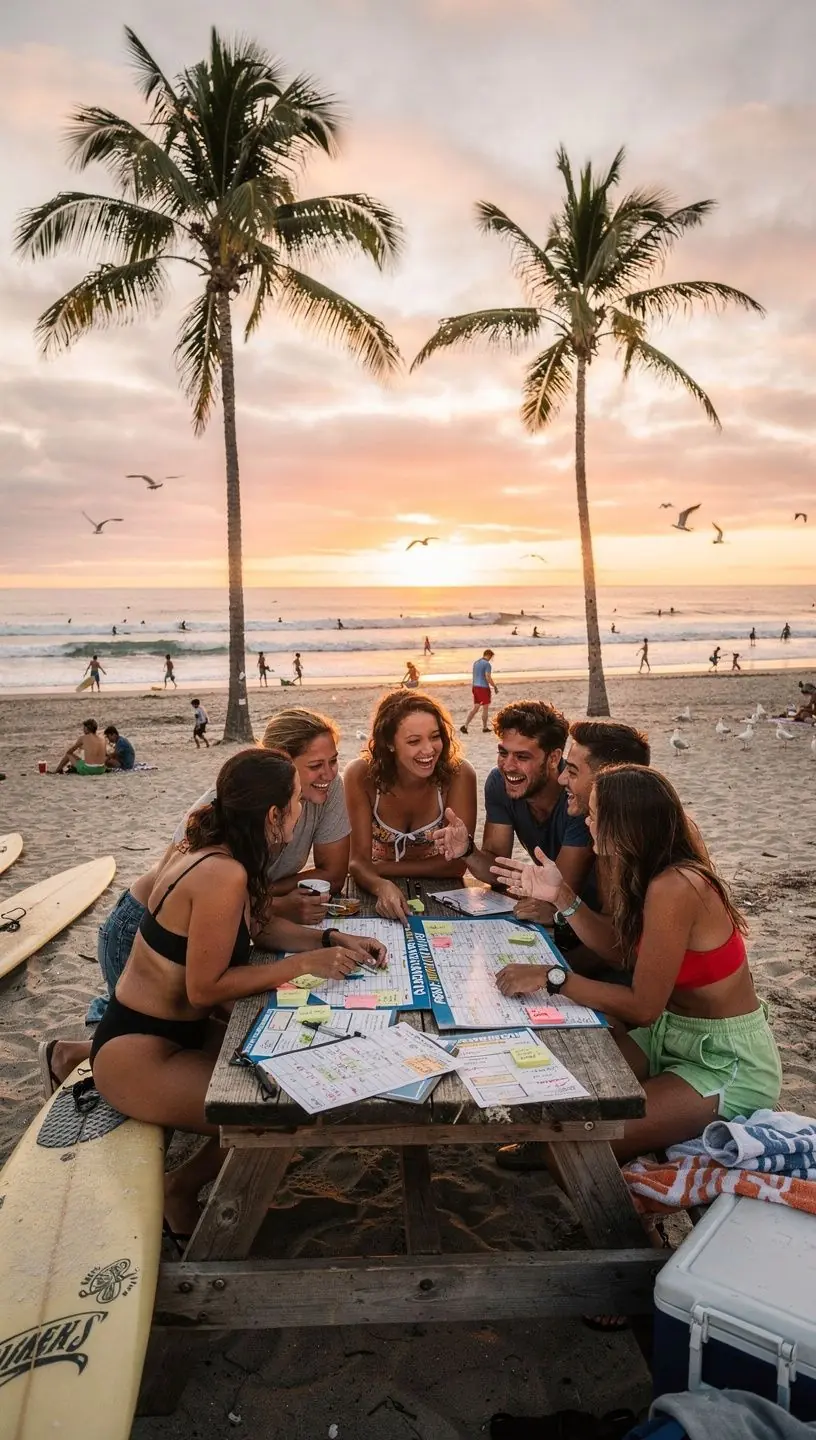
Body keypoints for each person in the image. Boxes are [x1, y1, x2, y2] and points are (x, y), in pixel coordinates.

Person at [87, 747, 387, 1235]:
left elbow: (258, 930)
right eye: (295, 802)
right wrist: (307, 965)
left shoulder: (220, 854)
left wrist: (330, 938)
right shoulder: (222, 874)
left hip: (174, 1036)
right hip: (138, 1054)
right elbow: (205, 988)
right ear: (273, 815)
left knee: (292, 1072)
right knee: (278, 1113)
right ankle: (179, 1190)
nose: (301, 811)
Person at [492, 765, 781, 1166]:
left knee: (579, 1150)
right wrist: (561, 897)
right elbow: (619, 952)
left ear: (624, 824)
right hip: (670, 1035)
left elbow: (643, 1006)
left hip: (724, 1059)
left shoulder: (676, 885)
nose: (585, 819)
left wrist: (552, 978)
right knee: (562, 1079)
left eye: (594, 813)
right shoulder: (640, 867)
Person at [434, 700, 596, 924]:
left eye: (522, 757)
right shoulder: (499, 782)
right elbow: (497, 870)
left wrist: (550, 908)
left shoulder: (577, 797)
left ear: (554, 758)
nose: (508, 766)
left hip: (593, 919)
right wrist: (467, 850)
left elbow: (561, 893)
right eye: (503, 753)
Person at [345, 691, 477, 919]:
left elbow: (455, 865)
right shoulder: (360, 775)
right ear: (389, 743)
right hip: (374, 891)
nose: (429, 750)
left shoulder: (459, 774)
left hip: (442, 894)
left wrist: (379, 868)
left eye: (435, 736)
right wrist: (380, 884)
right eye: (414, 741)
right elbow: (357, 862)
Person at [461, 649, 497, 734]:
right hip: (483, 688)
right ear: (488, 655)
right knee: (485, 708)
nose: (491, 659)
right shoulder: (487, 664)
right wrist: (494, 686)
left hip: (475, 687)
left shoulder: (476, 663)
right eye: (491, 657)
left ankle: (465, 726)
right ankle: (484, 727)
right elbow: (487, 677)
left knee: (476, 708)